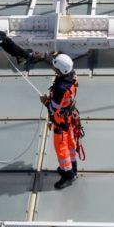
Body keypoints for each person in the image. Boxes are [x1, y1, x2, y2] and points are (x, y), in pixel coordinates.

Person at [42, 53, 84, 189]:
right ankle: (73, 169)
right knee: (71, 144)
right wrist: (44, 57)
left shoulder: (60, 89)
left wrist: (45, 101)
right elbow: (58, 66)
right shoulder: (71, 75)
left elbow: (53, 108)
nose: (54, 70)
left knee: (61, 148)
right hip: (70, 118)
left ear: (60, 71)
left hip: (60, 121)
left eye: (55, 69)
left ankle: (68, 175)